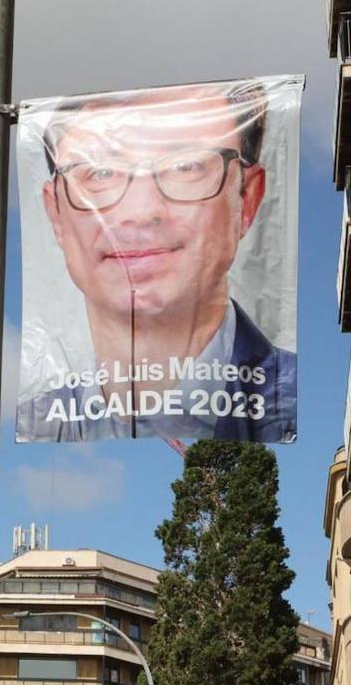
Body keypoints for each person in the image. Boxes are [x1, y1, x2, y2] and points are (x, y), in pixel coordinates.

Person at [17, 81, 296, 443]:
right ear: (56, 212)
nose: (141, 212)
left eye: (186, 166)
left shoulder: (285, 395)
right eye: (100, 173)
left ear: (248, 197)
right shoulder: (37, 422)